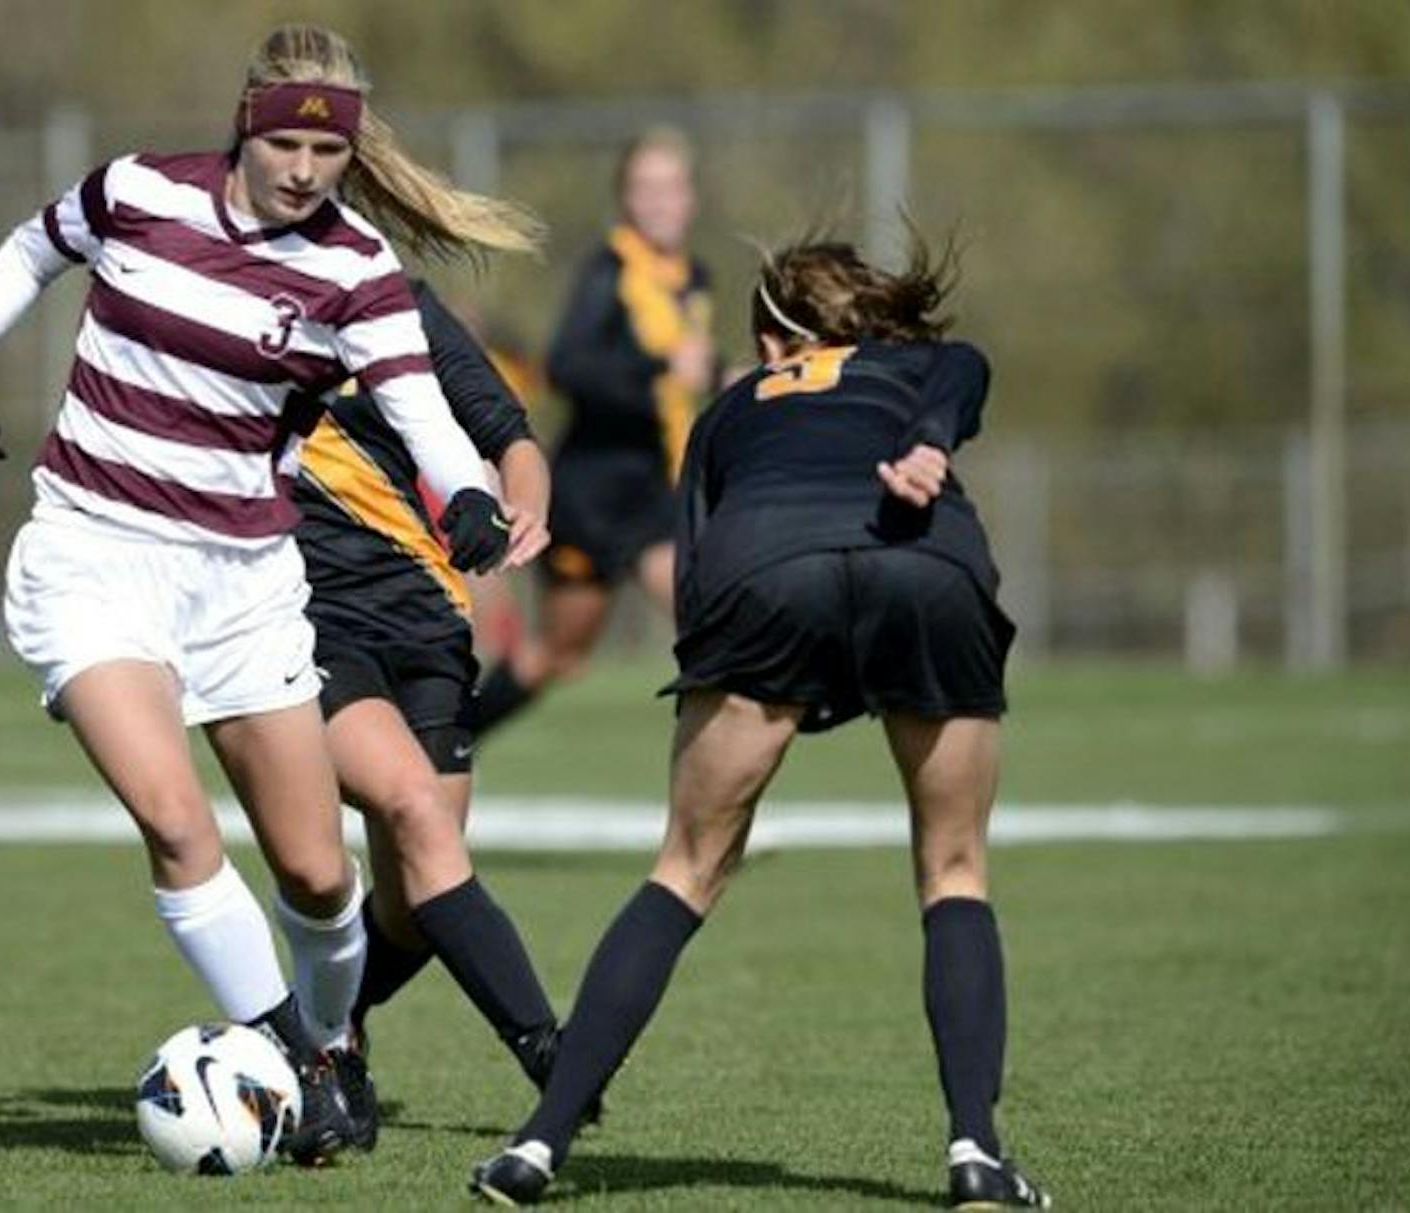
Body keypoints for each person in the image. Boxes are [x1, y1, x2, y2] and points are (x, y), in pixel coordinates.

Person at [0, 24, 538, 1165]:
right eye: (287, 145)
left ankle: (333, 1040)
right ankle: (292, 1058)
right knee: (173, 815)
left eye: (329, 154)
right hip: (94, 553)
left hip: (245, 580)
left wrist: (466, 499)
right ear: (246, 122)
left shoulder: (353, 267)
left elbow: (423, 411)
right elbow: (32, 245)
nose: (305, 171)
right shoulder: (139, 191)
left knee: (315, 872)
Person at [469, 232, 1049, 1208]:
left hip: (763, 575)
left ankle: (536, 1146)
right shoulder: (918, 363)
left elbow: (698, 583)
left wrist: (767, 687)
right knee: (953, 866)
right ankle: (976, 1153)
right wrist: (928, 444)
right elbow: (968, 367)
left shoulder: (730, 407)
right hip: (928, 570)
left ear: (776, 340)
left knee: (685, 868)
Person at [293, 278, 571, 1120]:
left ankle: (320, 1033)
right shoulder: (234, 308)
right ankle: (553, 1055)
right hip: (303, 624)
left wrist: (525, 506)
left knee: (414, 906)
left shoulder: (402, 309)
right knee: (415, 808)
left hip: (430, 630)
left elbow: (510, 437)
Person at [469, 127, 719, 739]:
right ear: (626, 199)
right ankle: (446, 742)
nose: (660, 201)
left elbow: (689, 369)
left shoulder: (693, 277)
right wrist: (663, 367)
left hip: (655, 498)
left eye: (671, 186)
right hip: (591, 500)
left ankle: (714, 802)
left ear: (691, 197)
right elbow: (568, 367)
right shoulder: (609, 273)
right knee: (555, 656)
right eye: (645, 188)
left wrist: (725, 372)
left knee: (714, 635)